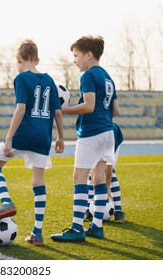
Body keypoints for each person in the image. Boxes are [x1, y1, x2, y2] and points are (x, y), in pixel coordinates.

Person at [0, 39, 65, 246]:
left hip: (23, 134)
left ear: (18, 59)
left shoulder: (21, 78)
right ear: (36, 59)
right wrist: (61, 137)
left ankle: (6, 201)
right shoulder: (50, 81)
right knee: (38, 181)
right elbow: (57, 112)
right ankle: (37, 232)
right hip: (43, 137)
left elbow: (20, 109)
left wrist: (9, 137)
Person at [51, 35, 119, 242]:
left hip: (92, 134)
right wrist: (93, 116)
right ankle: (97, 226)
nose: (75, 60)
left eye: (76, 56)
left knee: (79, 178)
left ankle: (77, 228)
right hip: (108, 133)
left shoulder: (88, 76)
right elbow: (115, 110)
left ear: (88, 55)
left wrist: (64, 111)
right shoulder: (108, 77)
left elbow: (89, 106)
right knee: (98, 178)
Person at [85, 122, 125, 222]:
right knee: (92, 170)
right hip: (94, 133)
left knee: (110, 172)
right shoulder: (88, 134)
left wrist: (107, 187)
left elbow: (109, 167)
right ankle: (89, 208)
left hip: (113, 135)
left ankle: (118, 210)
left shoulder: (109, 134)